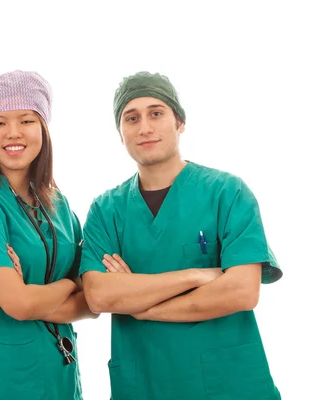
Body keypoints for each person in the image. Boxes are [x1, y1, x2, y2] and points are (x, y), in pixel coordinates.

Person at [80, 71, 283, 400]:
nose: (144, 127)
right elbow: (99, 296)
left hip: (229, 385)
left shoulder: (227, 193)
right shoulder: (106, 210)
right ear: (120, 133)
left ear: (180, 122)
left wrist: (142, 306)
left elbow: (242, 291)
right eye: (131, 118)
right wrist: (196, 275)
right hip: (144, 382)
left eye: (156, 113)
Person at [0, 70, 96, 400]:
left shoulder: (59, 205)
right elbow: (18, 304)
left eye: (26, 120)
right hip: (2, 377)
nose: (12, 133)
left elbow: (94, 302)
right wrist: (72, 284)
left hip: (61, 375)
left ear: (43, 127)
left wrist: (34, 297)